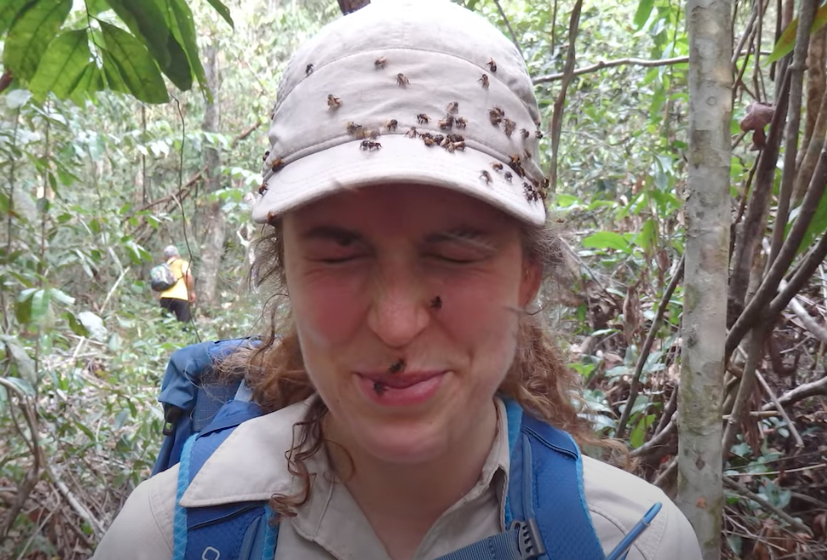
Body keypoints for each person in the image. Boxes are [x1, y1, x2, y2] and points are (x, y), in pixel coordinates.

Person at [94, 2, 703, 559]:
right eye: (339, 254)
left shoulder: (636, 542)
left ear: (527, 278)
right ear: (288, 276)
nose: (396, 322)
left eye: (456, 253)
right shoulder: (158, 537)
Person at [158, 245, 196, 323]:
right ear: (177, 255)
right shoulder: (182, 263)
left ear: (165, 257)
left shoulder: (163, 267)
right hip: (180, 296)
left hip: (164, 297)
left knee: (165, 325)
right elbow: (187, 276)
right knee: (184, 324)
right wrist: (191, 291)